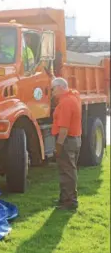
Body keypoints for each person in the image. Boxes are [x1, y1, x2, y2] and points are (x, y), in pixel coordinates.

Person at [51, 77, 82, 210]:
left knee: (67, 172)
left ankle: (70, 202)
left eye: (53, 89)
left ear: (59, 88)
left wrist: (58, 146)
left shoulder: (65, 103)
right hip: (75, 139)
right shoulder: (73, 97)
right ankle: (65, 199)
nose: (52, 92)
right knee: (69, 171)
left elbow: (64, 128)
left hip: (67, 141)